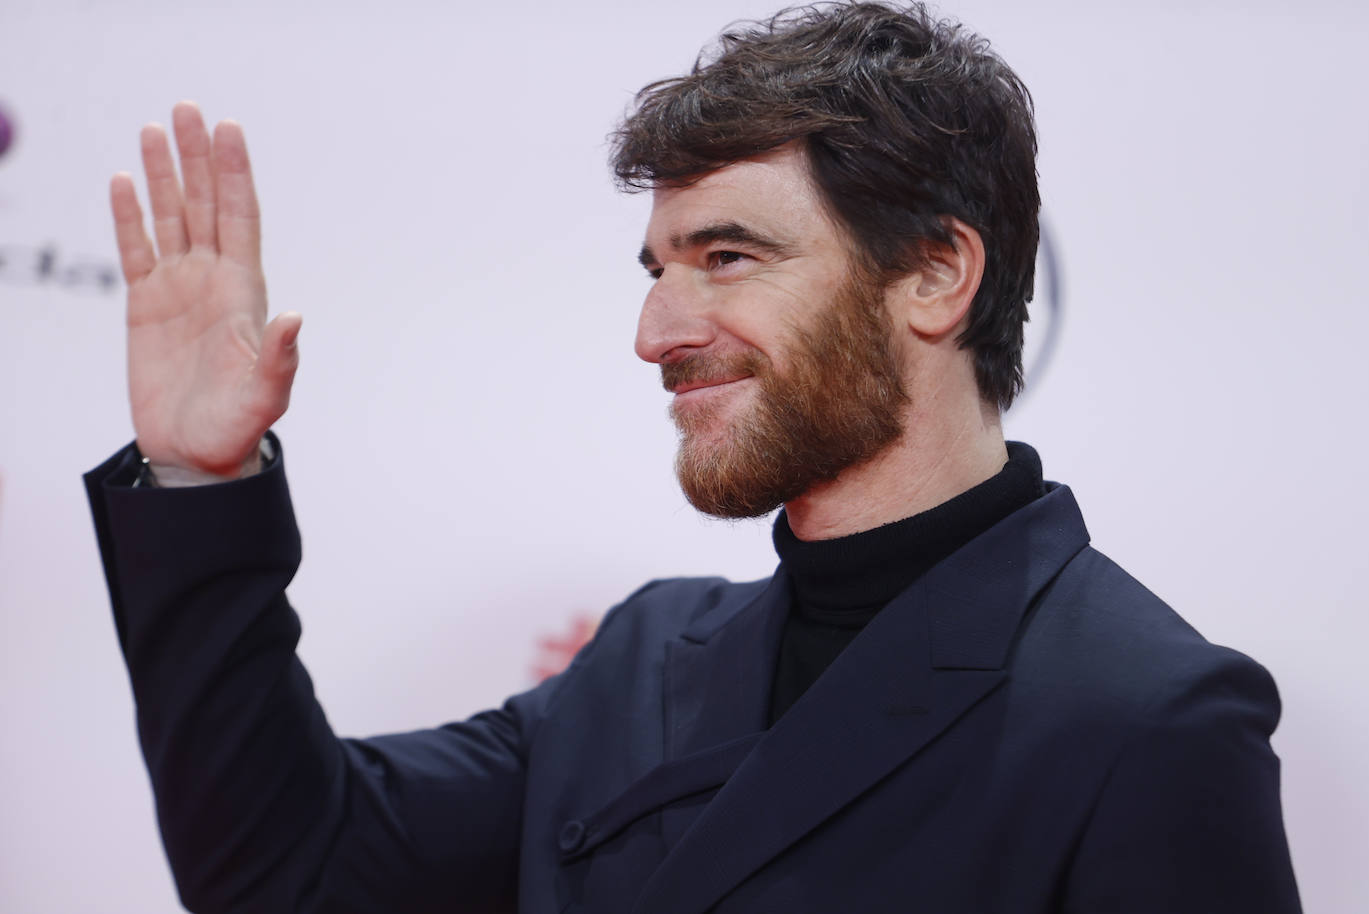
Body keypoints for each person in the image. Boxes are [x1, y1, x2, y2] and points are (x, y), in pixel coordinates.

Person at [86, 3, 1302, 912]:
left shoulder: (1147, 720)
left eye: (727, 257)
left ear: (937, 274)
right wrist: (200, 480)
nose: (656, 333)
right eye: (657, 268)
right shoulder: (646, 658)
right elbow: (286, 865)